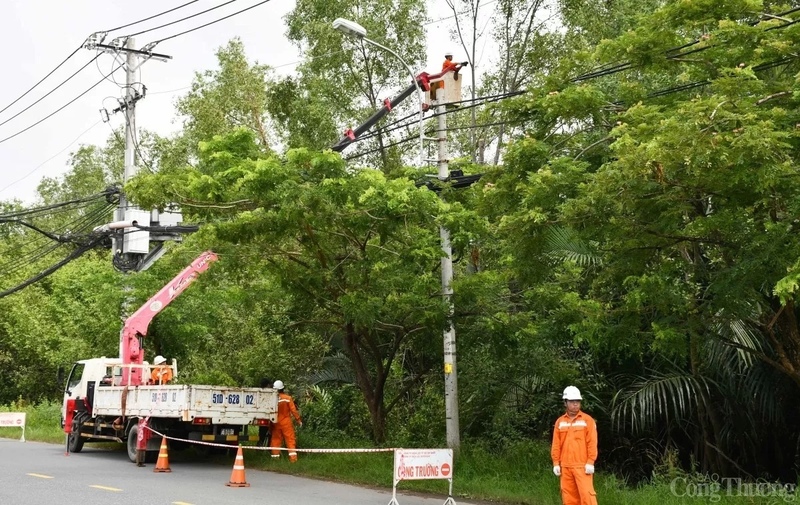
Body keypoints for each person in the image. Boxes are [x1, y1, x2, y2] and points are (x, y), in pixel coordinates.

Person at [551, 386, 598, 505]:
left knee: (587, 497)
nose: (575, 404)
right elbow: (556, 444)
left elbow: (592, 442)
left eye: (577, 401)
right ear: (565, 402)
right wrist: (556, 463)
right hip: (565, 466)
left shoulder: (587, 420)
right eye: (572, 401)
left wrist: (590, 461)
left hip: (582, 466)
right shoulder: (560, 422)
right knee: (569, 498)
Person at [269, 380, 303, 462]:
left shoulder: (272, 399)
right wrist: (298, 420)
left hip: (276, 422)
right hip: (286, 423)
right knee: (290, 440)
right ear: (282, 388)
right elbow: (293, 410)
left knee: (276, 440)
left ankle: (275, 459)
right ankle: (293, 459)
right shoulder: (288, 398)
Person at [258, 377, 274, 446]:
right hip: (270, 417)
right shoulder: (271, 394)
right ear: (268, 385)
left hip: (262, 416)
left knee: (262, 433)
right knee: (271, 433)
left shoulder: (259, 393)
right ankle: (268, 447)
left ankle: (260, 445)